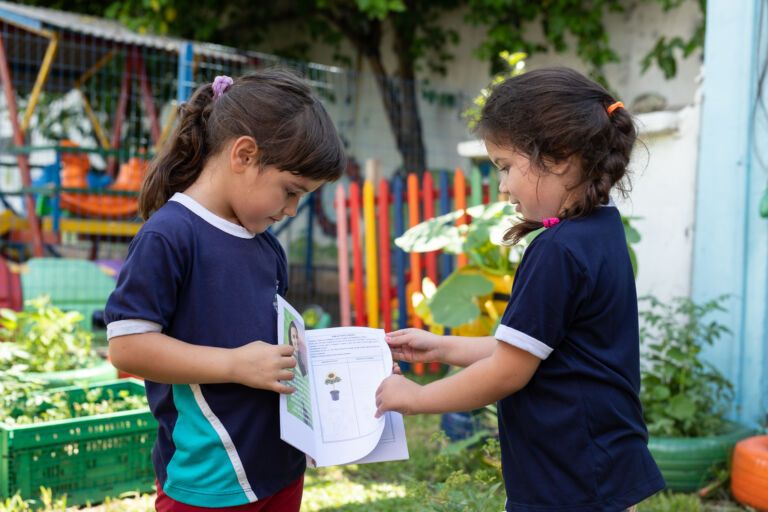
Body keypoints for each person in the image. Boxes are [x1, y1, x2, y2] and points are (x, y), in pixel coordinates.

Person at [375, 67, 665, 512]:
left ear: (561, 156)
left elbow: (508, 371)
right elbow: (529, 348)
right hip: (598, 460)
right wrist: (439, 348)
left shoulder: (556, 251)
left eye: (506, 166)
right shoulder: (601, 232)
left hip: (566, 475)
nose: (504, 184)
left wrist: (417, 399)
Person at [105, 70, 345, 512]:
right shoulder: (170, 236)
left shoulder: (267, 247)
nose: (292, 209)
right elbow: (127, 347)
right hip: (209, 481)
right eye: (291, 191)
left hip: (281, 470)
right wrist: (234, 364)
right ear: (244, 155)